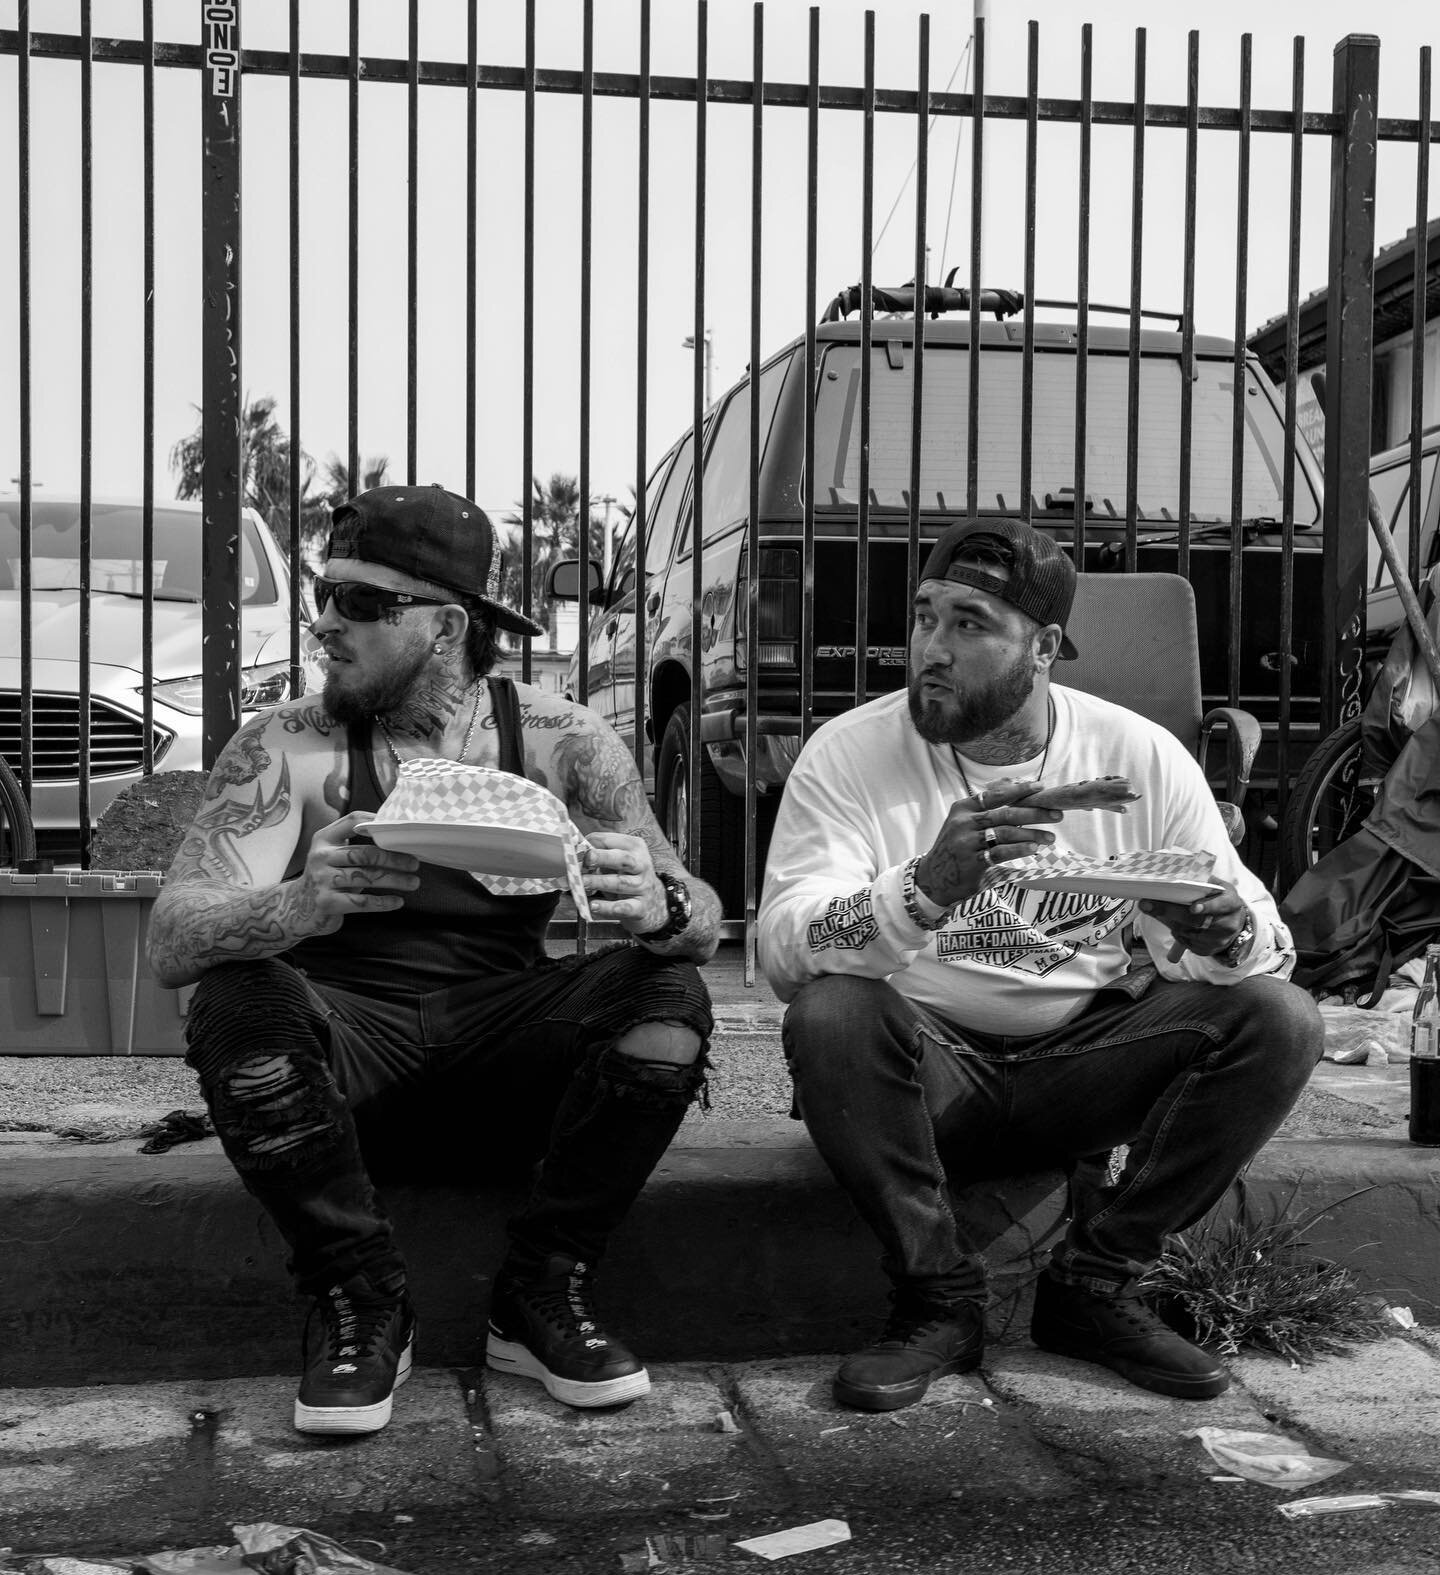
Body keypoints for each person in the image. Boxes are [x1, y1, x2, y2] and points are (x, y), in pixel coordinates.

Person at [147, 483, 720, 1436]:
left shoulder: (562, 737)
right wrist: (296, 903)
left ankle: (540, 1292)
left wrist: (658, 906)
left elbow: (698, 915)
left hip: (506, 1058)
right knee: (238, 996)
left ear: (447, 624)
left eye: (364, 604)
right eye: (326, 596)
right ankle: (361, 1301)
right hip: (340, 1078)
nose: (327, 624)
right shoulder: (287, 744)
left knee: (665, 992)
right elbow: (173, 939)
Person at [757, 517, 1323, 1413]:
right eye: (925, 617)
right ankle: (937, 1303)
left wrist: (1221, 939)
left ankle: (1095, 1288)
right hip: (921, 1078)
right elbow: (783, 944)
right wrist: (923, 888)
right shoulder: (853, 753)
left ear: (1046, 646)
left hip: (1078, 1070)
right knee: (830, 1013)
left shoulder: (1136, 755)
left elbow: (1253, 921)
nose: (932, 651)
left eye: (971, 624)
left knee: (1278, 1015)